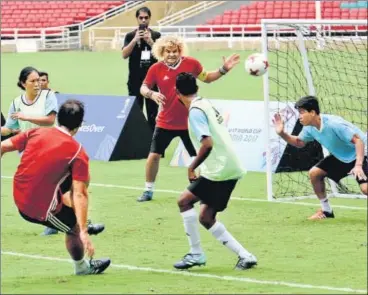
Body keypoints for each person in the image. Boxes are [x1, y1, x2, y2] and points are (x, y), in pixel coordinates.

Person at [0, 99, 111, 275]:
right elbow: (80, 194)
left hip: (20, 191)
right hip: (34, 206)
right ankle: (82, 267)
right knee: (73, 229)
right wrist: (82, 231)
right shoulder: (78, 152)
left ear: (59, 118)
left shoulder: (36, 132)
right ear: (80, 124)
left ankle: (75, 217)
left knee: (75, 178)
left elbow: (3, 146)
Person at [137, 35, 240, 202]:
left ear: (180, 51)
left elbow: (207, 78)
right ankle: (148, 190)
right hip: (165, 121)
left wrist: (224, 69)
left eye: (174, 51)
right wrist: (151, 93)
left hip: (189, 122)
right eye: (167, 52)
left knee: (198, 158)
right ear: (161, 52)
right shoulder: (156, 68)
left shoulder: (192, 63)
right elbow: (143, 87)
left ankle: (200, 191)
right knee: (153, 156)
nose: (171, 55)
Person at [172, 72, 257, 270]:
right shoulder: (205, 103)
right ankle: (245, 255)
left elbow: (207, 144)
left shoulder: (195, 111)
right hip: (229, 167)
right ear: (198, 88)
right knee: (206, 217)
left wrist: (192, 166)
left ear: (176, 93)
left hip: (220, 169)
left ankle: (196, 254)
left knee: (183, 201)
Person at [273, 96, 367, 220]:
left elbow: (358, 141)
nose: (299, 116)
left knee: (365, 189)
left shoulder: (334, 124)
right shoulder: (309, 128)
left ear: (312, 113)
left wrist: (358, 165)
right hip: (342, 157)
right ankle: (327, 211)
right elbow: (299, 142)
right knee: (315, 174)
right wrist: (282, 133)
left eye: (302, 112)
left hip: (362, 153)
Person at [122, 6, 161, 131]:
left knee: (152, 115)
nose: (143, 20)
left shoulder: (156, 35)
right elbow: (124, 55)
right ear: (137, 19)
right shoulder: (130, 35)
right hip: (135, 81)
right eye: (141, 18)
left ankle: (153, 146)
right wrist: (135, 40)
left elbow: (163, 57)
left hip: (152, 81)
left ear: (150, 19)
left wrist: (150, 42)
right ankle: (138, 144)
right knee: (135, 115)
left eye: (146, 18)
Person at [1, 66, 57, 138]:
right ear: (23, 83)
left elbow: (50, 120)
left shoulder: (48, 95)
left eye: (38, 80)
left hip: (47, 145)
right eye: (32, 81)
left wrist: (26, 117)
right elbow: (8, 129)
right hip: (27, 146)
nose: (37, 84)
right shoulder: (16, 102)